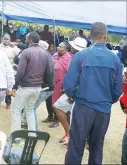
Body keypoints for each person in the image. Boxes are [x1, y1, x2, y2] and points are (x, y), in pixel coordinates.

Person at [64, 22, 123, 164]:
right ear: (105, 36)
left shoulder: (81, 56)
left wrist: (75, 96)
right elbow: (117, 89)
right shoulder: (115, 59)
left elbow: (69, 85)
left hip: (83, 107)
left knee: (76, 146)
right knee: (97, 148)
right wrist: (108, 100)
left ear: (90, 36)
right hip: (103, 110)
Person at [10, 32, 52, 133]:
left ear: (30, 40)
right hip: (37, 87)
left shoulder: (26, 52)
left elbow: (20, 71)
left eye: (26, 38)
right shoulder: (45, 53)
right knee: (30, 110)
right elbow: (49, 72)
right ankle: (32, 134)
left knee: (16, 111)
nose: (25, 40)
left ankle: (16, 136)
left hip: (25, 87)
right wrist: (45, 84)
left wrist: (15, 85)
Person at [52, 37, 87, 145]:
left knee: (57, 106)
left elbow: (77, 77)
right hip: (78, 91)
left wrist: (72, 93)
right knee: (68, 112)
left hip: (75, 91)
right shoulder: (84, 57)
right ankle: (71, 135)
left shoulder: (77, 58)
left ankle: (69, 134)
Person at [49, 41, 72, 129]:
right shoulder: (55, 55)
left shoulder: (68, 58)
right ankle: (53, 118)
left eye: (61, 47)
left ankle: (57, 120)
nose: (58, 48)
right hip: (52, 83)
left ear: (66, 49)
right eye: (58, 46)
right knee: (52, 102)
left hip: (61, 85)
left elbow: (69, 73)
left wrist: (65, 86)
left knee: (58, 104)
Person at [1, 33, 20, 109]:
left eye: (7, 39)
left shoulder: (14, 48)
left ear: (10, 40)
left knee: (9, 86)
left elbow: (20, 56)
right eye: (4, 39)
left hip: (11, 69)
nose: (5, 40)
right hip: (1, 69)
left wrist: (17, 66)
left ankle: (8, 102)